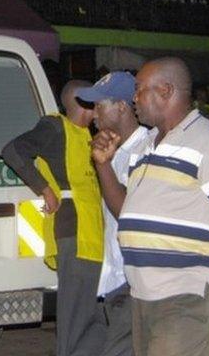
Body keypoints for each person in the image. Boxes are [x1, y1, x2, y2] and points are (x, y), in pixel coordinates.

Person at [93, 57, 209, 356]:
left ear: (165, 91)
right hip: (143, 293)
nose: (134, 98)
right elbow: (125, 213)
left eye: (139, 90)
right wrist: (103, 166)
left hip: (187, 292)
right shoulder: (145, 146)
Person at [2, 80, 106, 356]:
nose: (100, 108)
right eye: (96, 101)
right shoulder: (54, 128)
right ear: (86, 103)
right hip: (73, 234)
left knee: (89, 315)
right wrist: (45, 190)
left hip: (90, 235)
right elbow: (13, 150)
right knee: (75, 316)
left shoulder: (86, 135)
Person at [77, 71, 146, 356]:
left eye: (99, 105)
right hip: (116, 280)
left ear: (121, 106)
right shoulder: (115, 151)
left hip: (134, 282)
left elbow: (127, 214)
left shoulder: (145, 150)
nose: (93, 114)